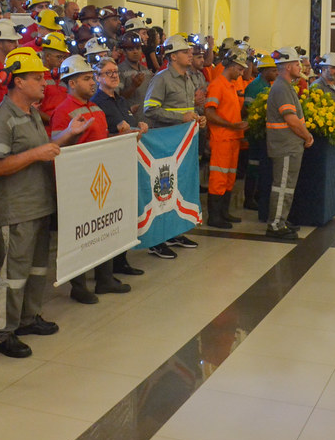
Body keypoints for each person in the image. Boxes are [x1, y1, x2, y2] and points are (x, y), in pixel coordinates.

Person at [0, 48, 91, 358]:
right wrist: (34, 155)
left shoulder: (30, 112)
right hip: (16, 208)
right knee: (12, 273)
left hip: (39, 204)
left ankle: (27, 318)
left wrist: (69, 134)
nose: (44, 83)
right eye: (36, 78)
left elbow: (43, 148)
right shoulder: (2, 117)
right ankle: (2, 332)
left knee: (35, 269)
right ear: (18, 82)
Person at [50, 54, 131, 303]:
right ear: (71, 83)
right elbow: (57, 146)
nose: (93, 83)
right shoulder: (63, 111)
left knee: (103, 227)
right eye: (86, 79)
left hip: (100, 177)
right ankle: (79, 285)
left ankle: (104, 278)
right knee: (80, 232)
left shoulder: (95, 107)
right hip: (79, 181)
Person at [141, 34, 203, 258]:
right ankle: (157, 239)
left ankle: (174, 231)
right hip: (164, 143)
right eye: (186, 52)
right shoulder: (162, 79)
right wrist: (181, 119)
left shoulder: (188, 78)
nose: (191, 55)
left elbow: (186, 110)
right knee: (162, 191)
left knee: (178, 188)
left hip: (182, 144)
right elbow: (150, 110)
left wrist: (196, 117)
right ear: (173, 56)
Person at [89, 57, 146, 278]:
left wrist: (137, 128)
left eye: (115, 72)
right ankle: (108, 267)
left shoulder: (121, 101)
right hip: (107, 166)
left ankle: (122, 260)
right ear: (97, 77)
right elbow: (99, 136)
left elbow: (127, 126)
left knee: (124, 214)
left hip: (125, 163)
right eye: (108, 72)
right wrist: (119, 134)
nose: (114, 75)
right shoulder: (97, 103)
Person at [265, 47, 313, 240]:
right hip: (285, 145)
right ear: (287, 67)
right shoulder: (281, 88)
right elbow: (291, 119)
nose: (299, 67)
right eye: (296, 64)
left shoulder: (286, 86)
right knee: (282, 186)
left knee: (287, 185)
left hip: (290, 145)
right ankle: (276, 225)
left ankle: (281, 220)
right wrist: (307, 136)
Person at [204, 46, 249, 229]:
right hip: (222, 138)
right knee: (219, 178)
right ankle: (214, 217)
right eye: (239, 68)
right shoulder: (217, 85)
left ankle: (224, 212)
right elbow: (209, 112)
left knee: (229, 177)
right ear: (231, 66)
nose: (241, 72)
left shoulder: (231, 86)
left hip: (233, 139)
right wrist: (231, 126)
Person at [243, 54, 278, 209]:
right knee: (253, 165)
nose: (276, 73)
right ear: (264, 71)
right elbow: (249, 109)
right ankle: (249, 199)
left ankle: (257, 195)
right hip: (255, 132)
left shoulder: (267, 85)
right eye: (273, 70)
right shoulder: (254, 87)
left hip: (264, 132)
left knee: (260, 166)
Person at [117, 31, 153, 124]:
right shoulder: (119, 71)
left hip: (148, 120)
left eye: (138, 48)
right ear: (124, 52)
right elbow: (117, 98)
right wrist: (133, 86)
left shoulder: (146, 70)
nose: (135, 51)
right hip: (131, 122)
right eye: (130, 49)